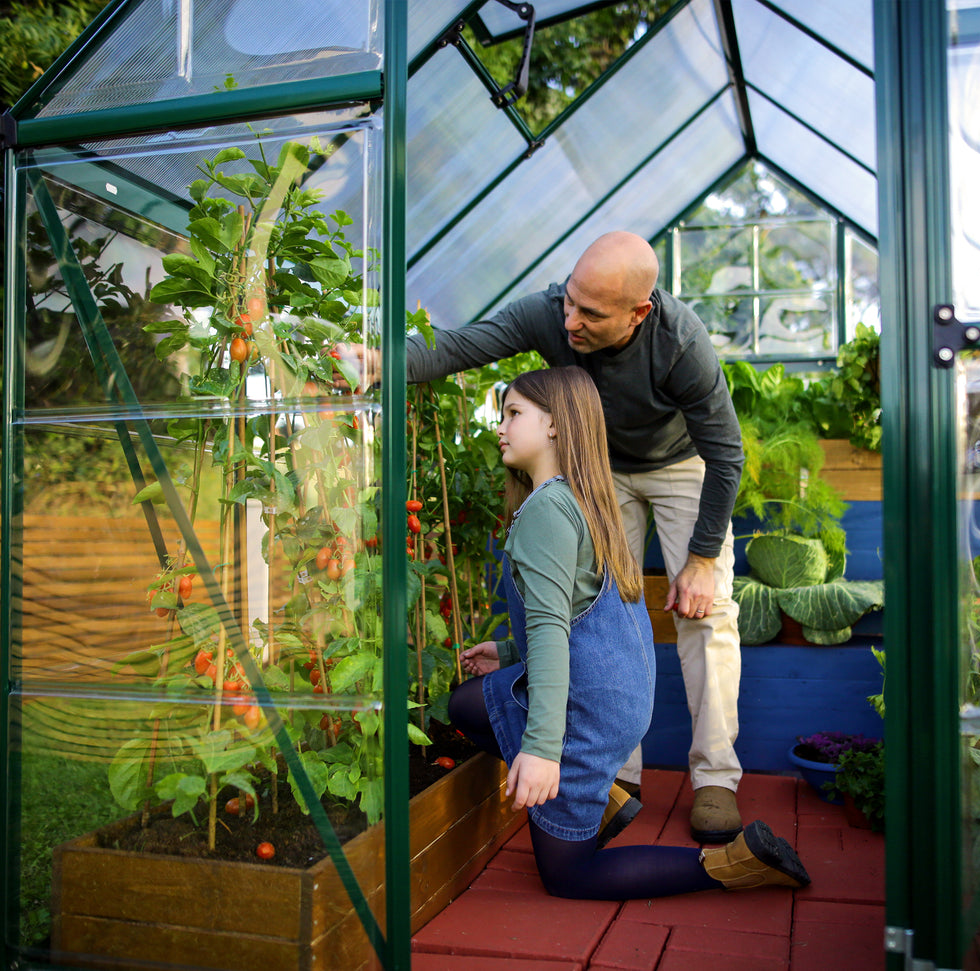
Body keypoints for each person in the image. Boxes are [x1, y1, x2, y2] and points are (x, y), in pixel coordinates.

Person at [341, 230, 745, 842]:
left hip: (679, 463)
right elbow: (465, 344)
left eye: (590, 312)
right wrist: (383, 361)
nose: (570, 320)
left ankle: (715, 775)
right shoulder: (554, 312)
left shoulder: (681, 342)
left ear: (640, 313)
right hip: (600, 466)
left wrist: (703, 557)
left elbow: (726, 452)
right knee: (608, 604)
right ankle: (615, 772)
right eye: (570, 301)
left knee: (705, 611)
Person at [446, 366, 808, 900]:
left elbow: (550, 631)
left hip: (588, 709)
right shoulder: (584, 499)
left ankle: (735, 863)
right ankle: (602, 795)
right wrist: (506, 651)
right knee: (467, 704)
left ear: (554, 425)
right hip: (618, 694)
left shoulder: (546, 511)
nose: (500, 427)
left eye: (514, 413)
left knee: (570, 876)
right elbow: (582, 614)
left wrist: (544, 751)